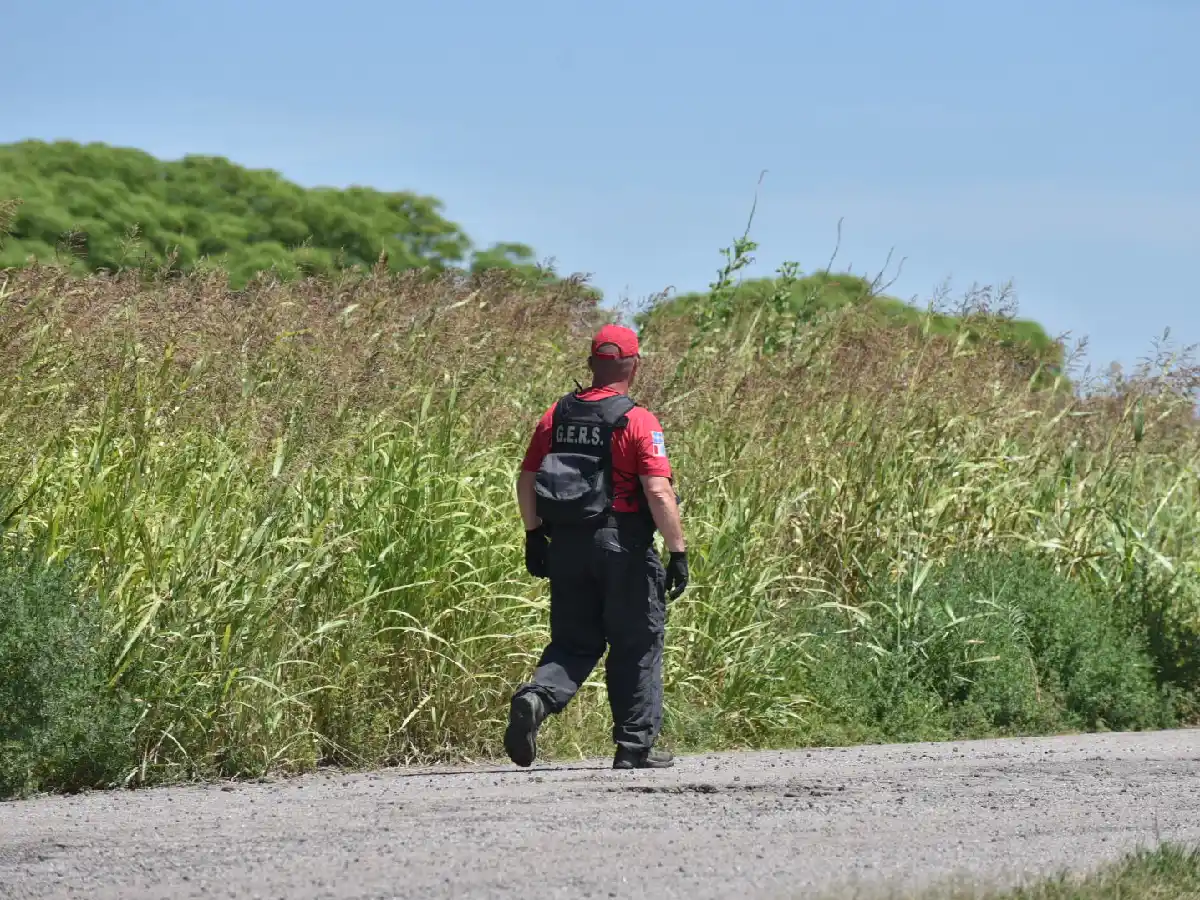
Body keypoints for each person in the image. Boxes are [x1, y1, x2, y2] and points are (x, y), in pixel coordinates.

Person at [505, 323, 689, 770]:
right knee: (637, 643)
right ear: (634, 365)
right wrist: (678, 551)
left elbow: (526, 479)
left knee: (573, 641)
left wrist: (533, 535)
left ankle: (536, 699)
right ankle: (632, 748)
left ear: (591, 364)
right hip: (622, 545)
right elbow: (658, 491)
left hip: (566, 545)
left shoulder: (557, 415)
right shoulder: (638, 420)